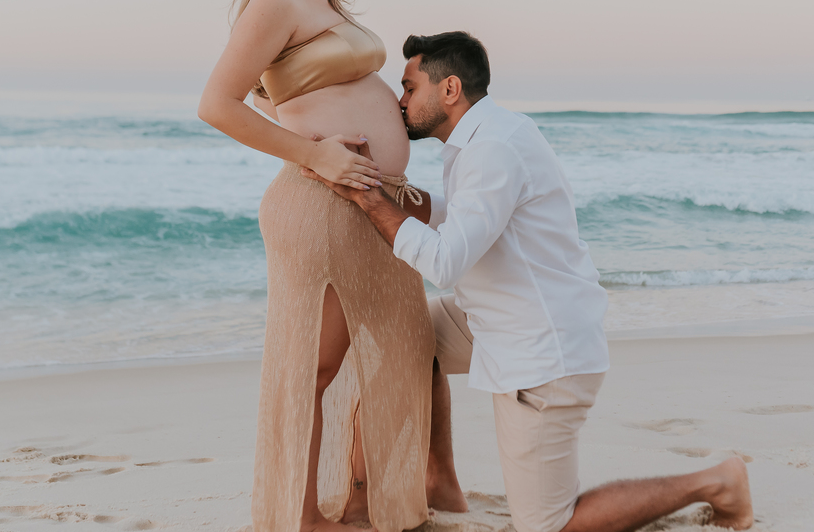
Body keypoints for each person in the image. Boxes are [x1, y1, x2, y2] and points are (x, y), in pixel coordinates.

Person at [302, 31, 755, 532]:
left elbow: (444, 262)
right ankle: (441, 482)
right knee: (404, 335)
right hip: (494, 318)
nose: (399, 100)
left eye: (409, 88)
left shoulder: (493, 149)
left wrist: (367, 197)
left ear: (450, 89)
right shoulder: (486, 136)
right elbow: (464, 213)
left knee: (549, 525)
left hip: (541, 352)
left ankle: (717, 481)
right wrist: (385, 187)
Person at [198, 0, 435, 532]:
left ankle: (363, 499)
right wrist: (316, 153)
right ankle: (300, 517)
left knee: (394, 346)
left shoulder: (322, 3)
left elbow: (276, 99)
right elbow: (216, 103)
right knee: (317, 364)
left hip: (369, 203)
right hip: (323, 203)